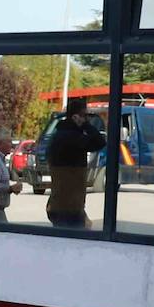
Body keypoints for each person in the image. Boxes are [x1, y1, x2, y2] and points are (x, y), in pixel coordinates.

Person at [46, 97, 105, 229]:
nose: (87, 119)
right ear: (75, 117)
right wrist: (86, 125)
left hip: (60, 202)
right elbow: (100, 142)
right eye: (84, 116)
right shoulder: (72, 137)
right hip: (69, 206)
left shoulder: (59, 134)